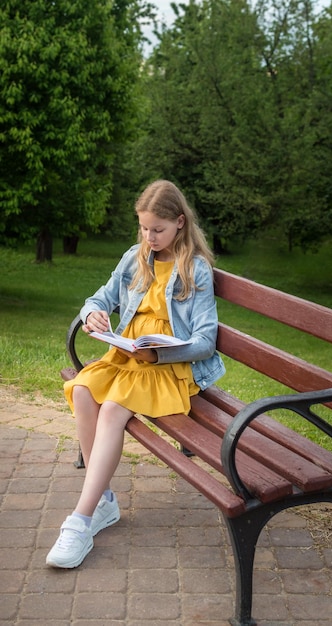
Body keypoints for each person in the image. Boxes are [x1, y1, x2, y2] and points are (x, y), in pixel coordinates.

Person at [46, 179, 225, 568]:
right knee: (81, 392)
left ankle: (81, 520)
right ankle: (104, 500)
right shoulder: (135, 257)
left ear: (180, 222)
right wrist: (91, 312)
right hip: (125, 358)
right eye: (143, 228)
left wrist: (159, 353)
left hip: (164, 368)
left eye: (157, 229)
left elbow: (205, 340)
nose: (149, 236)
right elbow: (101, 297)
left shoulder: (195, 270)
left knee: (111, 409)